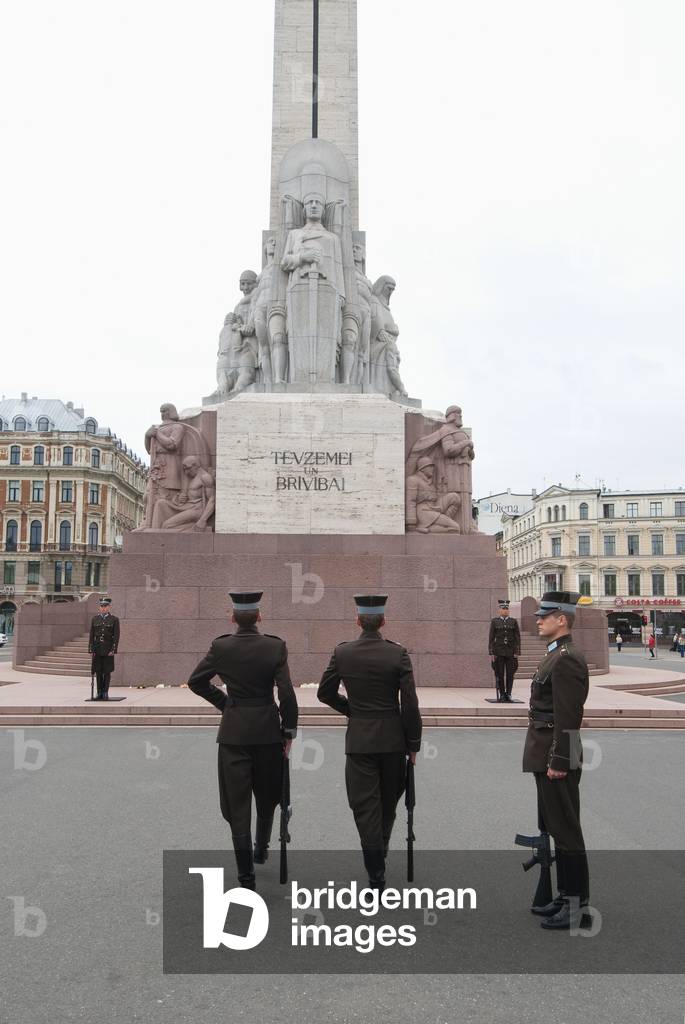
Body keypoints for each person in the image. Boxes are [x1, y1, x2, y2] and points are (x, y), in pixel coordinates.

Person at [187, 592, 298, 890]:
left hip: (234, 734)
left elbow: (196, 681)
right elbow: (286, 693)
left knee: (237, 805)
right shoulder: (275, 647)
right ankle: (261, 848)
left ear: (232, 617)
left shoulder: (221, 647)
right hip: (268, 733)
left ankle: (245, 876)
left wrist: (226, 704)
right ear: (259, 616)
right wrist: (289, 731)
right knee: (268, 796)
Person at [317, 595, 422, 889]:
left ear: (357, 620)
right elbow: (410, 703)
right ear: (383, 621)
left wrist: (352, 709)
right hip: (393, 741)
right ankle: (381, 852)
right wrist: (413, 744)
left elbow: (324, 693)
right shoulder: (398, 654)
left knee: (365, 808)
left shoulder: (343, 653)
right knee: (388, 804)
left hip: (360, 741)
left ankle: (376, 873)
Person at [522, 591, 592, 930]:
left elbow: (568, 717)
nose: (538, 619)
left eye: (544, 615)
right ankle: (565, 897)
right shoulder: (555, 655)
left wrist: (560, 760)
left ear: (561, 618)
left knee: (566, 830)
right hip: (546, 752)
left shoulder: (567, 658)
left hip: (556, 754)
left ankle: (577, 905)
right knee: (556, 827)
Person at [488, 600, 521, 701]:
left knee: (510, 674)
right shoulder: (495, 621)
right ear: (499, 610)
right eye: (503, 609)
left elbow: (517, 637)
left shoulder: (513, 621)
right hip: (499, 651)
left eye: (507, 609)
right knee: (500, 674)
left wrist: (517, 652)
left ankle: (509, 694)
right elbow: (491, 637)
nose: (505, 611)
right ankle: (502, 694)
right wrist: (491, 652)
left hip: (510, 652)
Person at [88, 597, 120, 700]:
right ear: (99, 607)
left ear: (109, 607)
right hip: (97, 649)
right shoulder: (95, 619)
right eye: (101, 606)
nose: (103, 608)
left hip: (108, 649)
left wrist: (113, 649)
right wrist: (91, 649)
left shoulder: (114, 619)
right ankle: (99, 692)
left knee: (107, 672)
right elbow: (91, 635)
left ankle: (105, 692)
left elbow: (116, 636)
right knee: (98, 671)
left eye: (105, 606)